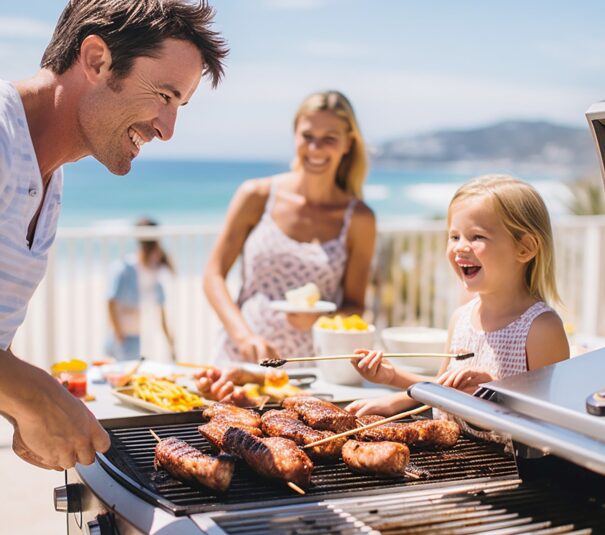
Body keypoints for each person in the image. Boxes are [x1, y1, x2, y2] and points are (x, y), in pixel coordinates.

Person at [0, 0, 227, 470]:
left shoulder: (48, 175)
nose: (168, 130)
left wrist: (19, 409)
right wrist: (31, 394)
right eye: (165, 96)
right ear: (97, 60)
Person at [346, 175, 570, 417]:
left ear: (525, 248)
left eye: (477, 237)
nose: (460, 247)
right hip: (452, 446)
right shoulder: (461, 318)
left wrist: (494, 391)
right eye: (454, 236)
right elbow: (444, 389)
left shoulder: (541, 328)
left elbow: (550, 420)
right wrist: (393, 380)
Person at [202, 90, 376, 371]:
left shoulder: (359, 219)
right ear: (295, 136)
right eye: (307, 136)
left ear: (348, 144)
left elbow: (356, 305)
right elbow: (213, 276)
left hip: (310, 372)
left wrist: (322, 321)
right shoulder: (256, 195)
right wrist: (243, 336)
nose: (316, 148)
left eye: (329, 138)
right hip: (239, 363)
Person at [107, 218, 176, 361]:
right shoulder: (125, 269)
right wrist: (118, 333)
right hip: (123, 336)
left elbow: (161, 309)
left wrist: (170, 341)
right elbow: (111, 301)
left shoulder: (153, 271)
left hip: (137, 335)